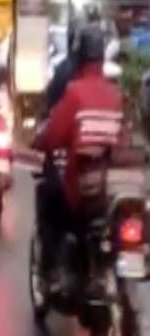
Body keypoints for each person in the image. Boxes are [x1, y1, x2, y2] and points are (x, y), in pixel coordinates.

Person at [32, 25, 126, 280]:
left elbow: (52, 136)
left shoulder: (75, 92)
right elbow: (122, 140)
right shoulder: (116, 94)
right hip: (112, 191)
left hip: (83, 190)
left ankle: (51, 270)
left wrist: (39, 141)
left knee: (49, 196)